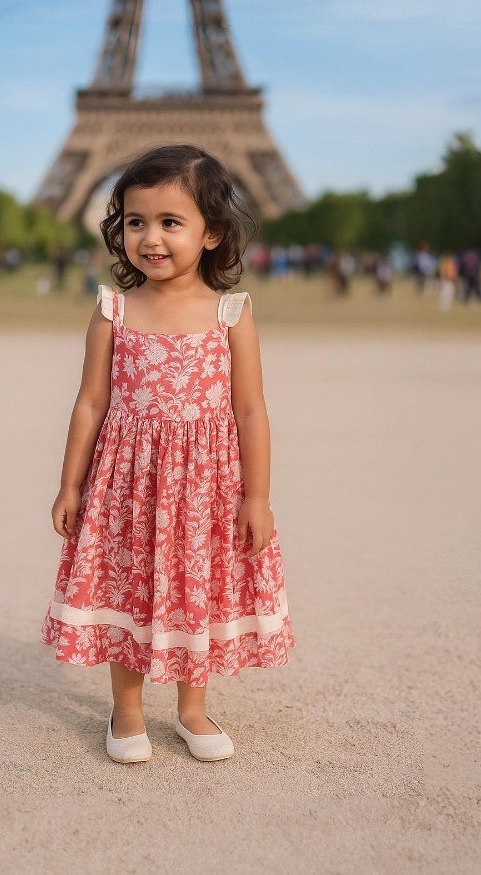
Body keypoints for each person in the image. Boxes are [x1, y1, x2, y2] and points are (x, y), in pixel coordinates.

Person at [40, 144, 296, 764]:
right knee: (127, 592)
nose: (150, 238)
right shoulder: (113, 311)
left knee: (194, 592)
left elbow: (251, 410)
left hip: (206, 489)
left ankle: (192, 709)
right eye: (136, 221)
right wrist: (70, 485)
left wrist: (257, 497)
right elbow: (90, 404)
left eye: (170, 222)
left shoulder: (232, 315)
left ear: (211, 233)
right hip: (127, 487)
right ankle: (126, 712)